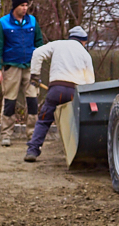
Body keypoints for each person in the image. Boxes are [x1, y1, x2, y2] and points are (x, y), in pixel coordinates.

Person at [24, 26, 95, 162]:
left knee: (44, 121)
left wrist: (34, 75)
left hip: (56, 90)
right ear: (83, 41)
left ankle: (32, 150)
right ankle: (76, 154)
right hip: (75, 92)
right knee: (75, 124)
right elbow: (90, 82)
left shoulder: (58, 44)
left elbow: (37, 53)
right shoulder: (85, 54)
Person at [0, 0, 46, 147]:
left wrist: (40, 60)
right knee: (10, 100)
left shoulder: (32, 22)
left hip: (30, 67)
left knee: (33, 100)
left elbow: (39, 42)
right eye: (22, 5)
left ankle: (32, 135)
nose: (25, 8)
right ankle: (6, 134)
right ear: (15, 6)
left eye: (26, 5)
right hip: (12, 67)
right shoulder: (3, 23)